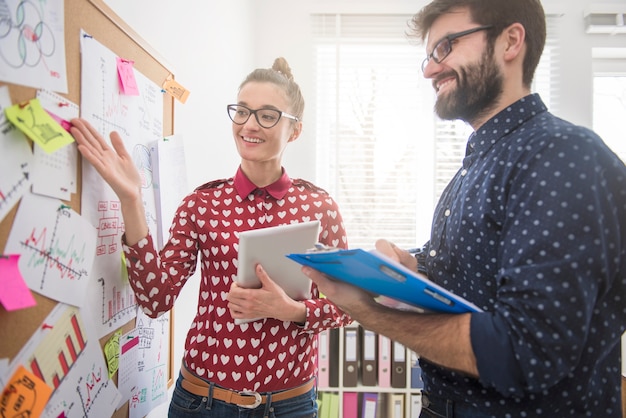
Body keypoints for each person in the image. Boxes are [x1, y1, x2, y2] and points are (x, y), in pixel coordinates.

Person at [302, 1, 626, 417]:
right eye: (429, 55)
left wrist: (367, 312)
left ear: (510, 41)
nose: (430, 69)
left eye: (447, 46)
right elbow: (477, 273)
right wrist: (410, 267)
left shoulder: (560, 155)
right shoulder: (483, 162)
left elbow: (525, 354)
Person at [70, 57, 351, 417]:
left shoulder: (319, 208)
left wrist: (292, 311)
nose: (250, 125)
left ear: (294, 130)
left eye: (268, 115)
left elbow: (349, 306)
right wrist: (131, 200)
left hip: (289, 405)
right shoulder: (202, 204)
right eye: (242, 112)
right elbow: (155, 298)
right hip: (201, 402)